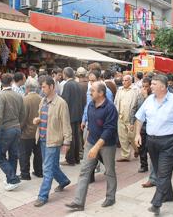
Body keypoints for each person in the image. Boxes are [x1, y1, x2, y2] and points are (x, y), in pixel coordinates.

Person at [134, 75, 173, 215]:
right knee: (158, 171)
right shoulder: (149, 100)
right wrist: (137, 134)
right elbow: (139, 118)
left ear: (163, 87)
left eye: (154, 84)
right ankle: (168, 195)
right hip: (152, 141)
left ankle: (157, 203)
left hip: (170, 141)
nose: (151, 86)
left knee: (163, 173)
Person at [66, 82, 118, 211]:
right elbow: (91, 123)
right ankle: (78, 202)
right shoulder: (90, 104)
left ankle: (110, 197)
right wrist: (87, 140)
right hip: (91, 142)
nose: (90, 93)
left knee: (109, 171)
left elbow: (109, 130)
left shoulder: (110, 108)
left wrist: (96, 147)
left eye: (93, 91)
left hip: (107, 144)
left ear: (101, 93)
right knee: (84, 171)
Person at [33, 76, 72, 207]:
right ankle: (64, 180)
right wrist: (37, 120)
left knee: (47, 168)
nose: (42, 89)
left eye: (44, 87)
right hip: (43, 139)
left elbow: (66, 124)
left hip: (54, 141)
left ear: (52, 86)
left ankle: (42, 196)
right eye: (41, 87)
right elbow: (42, 116)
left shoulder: (61, 103)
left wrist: (67, 142)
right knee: (52, 166)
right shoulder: (42, 101)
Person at [0, 73, 25, 191]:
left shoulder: (1, 96)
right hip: (16, 128)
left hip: (6, 129)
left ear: (1, 81)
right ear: (11, 82)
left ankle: (12, 178)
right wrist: (19, 125)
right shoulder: (18, 95)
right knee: (13, 155)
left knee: (0, 156)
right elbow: (23, 114)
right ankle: (11, 179)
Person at [114, 75, 142, 162]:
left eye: (126, 80)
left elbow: (139, 104)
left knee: (132, 136)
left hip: (131, 118)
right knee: (122, 137)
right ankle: (125, 155)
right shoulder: (120, 90)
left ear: (130, 81)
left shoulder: (136, 90)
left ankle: (137, 150)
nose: (124, 82)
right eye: (123, 80)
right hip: (121, 116)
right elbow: (115, 102)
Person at [19, 78, 43, 180]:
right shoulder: (41, 98)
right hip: (38, 131)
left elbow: (23, 118)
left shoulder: (25, 100)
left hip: (26, 132)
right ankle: (39, 171)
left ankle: (25, 174)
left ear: (27, 88)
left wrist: (20, 128)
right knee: (38, 153)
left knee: (24, 154)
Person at [61, 67, 84, 166]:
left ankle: (70, 159)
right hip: (78, 114)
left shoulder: (67, 85)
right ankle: (76, 158)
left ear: (65, 74)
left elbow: (64, 101)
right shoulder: (77, 84)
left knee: (70, 137)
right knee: (76, 136)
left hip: (70, 114)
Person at [138, 77, 152, 173]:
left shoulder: (153, 96)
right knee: (141, 146)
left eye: (146, 86)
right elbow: (136, 109)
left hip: (152, 125)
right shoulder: (139, 96)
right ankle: (143, 164)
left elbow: (152, 108)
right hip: (142, 124)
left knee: (151, 146)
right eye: (143, 86)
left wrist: (146, 96)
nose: (144, 88)